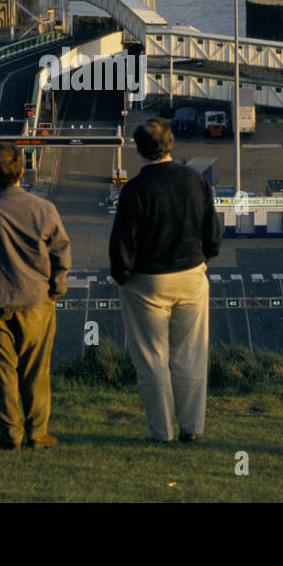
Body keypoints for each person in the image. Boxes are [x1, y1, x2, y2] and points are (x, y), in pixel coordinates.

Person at [109, 117, 221, 443]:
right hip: (190, 274)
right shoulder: (195, 180)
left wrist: (123, 276)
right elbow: (212, 232)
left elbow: (122, 243)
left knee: (152, 360)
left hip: (147, 281)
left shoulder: (135, 189)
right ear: (170, 144)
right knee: (190, 356)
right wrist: (203, 260)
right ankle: (192, 429)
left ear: (140, 149)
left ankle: (161, 432)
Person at [0, 142, 70, 449]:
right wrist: (55, 291)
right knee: (36, 370)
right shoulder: (44, 210)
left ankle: (11, 434)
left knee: (0, 373)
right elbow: (60, 253)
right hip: (36, 303)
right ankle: (38, 432)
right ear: (22, 171)